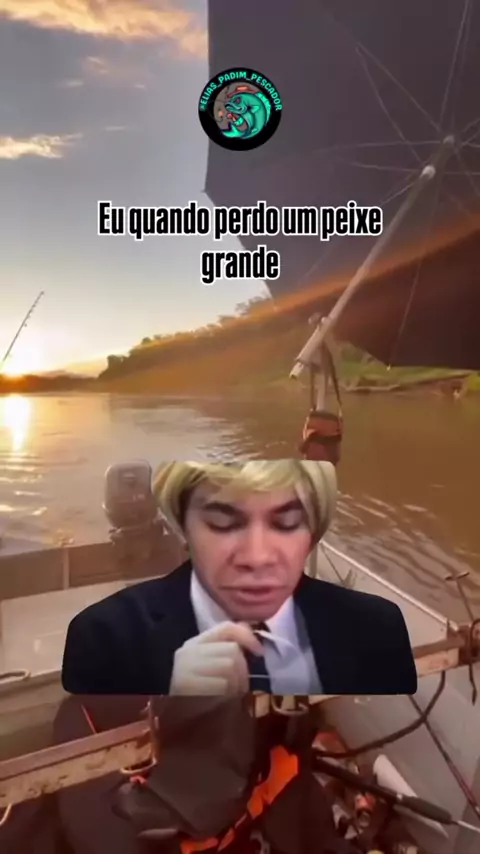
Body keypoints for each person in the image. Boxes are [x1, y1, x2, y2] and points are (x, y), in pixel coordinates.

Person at [61, 459, 417, 696]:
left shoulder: (379, 628)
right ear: (183, 530)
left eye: (287, 523)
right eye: (222, 523)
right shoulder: (102, 638)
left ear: (313, 533)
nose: (257, 558)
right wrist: (173, 709)